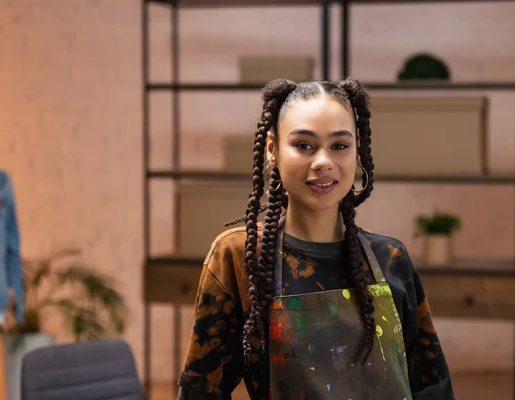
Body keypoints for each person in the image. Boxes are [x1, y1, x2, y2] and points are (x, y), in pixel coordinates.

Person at [176, 78, 455, 400]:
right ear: (272, 150)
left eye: (339, 145)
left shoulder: (389, 258)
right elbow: (201, 391)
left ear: (358, 152)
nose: (323, 162)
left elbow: (433, 387)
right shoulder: (240, 258)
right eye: (304, 145)